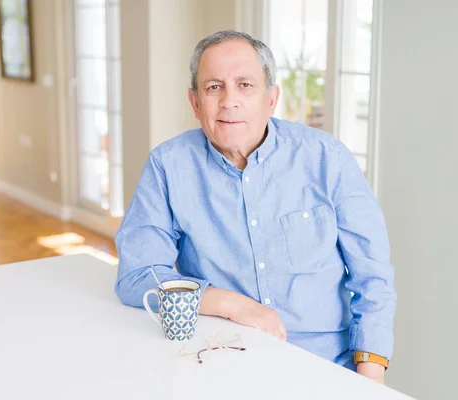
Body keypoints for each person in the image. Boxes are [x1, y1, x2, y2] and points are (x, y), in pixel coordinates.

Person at [114, 30, 396, 384]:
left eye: (245, 85)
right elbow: (137, 277)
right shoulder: (168, 166)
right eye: (214, 87)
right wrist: (233, 304)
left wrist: (369, 380)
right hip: (221, 365)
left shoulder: (327, 158)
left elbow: (373, 276)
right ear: (195, 102)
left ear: (271, 98)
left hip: (325, 366)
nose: (229, 101)